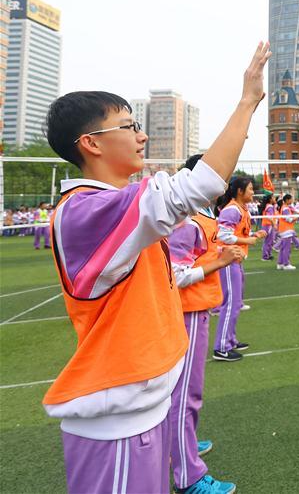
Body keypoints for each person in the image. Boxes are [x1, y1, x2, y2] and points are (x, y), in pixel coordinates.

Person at [41, 42, 269, 494]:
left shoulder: (107, 206)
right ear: (91, 143)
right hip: (118, 414)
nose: (141, 136)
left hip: (140, 404)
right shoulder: (86, 210)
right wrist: (248, 101)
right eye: (129, 126)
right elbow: (200, 184)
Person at [167, 154, 245, 493]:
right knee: (183, 396)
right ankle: (189, 477)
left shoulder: (202, 213)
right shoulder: (186, 219)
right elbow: (179, 275)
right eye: (219, 175)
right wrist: (221, 261)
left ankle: (182, 444)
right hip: (186, 311)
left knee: (189, 394)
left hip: (197, 310)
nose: (223, 184)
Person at [214, 177, 266, 361]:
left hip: (236, 259)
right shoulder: (232, 210)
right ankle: (221, 347)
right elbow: (223, 235)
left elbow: (237, 234)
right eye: (250, 189)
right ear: (240, 191)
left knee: (236, 302)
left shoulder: (241, 210)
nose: (253, 192)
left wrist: (254, 235)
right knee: (230, 303)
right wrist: (248, 240)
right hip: (228, 260)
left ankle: (230, 340)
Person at [275, 194, 299, 270]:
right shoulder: (285, 208)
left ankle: (280, 263)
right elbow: (289, 219)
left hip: (284, 230)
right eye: (291, 199)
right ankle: (286, 264)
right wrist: (298, 217)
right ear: (287, 200)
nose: (292, 201)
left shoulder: (284, 207)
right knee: (286, 248)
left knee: (283, 248)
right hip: (286, 231)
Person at [260, 193, 277, 260]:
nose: (274, 199)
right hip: (268, 225)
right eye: (273, 197)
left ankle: (268, 254)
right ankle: (265, 256)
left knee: (270, 241)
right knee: (268, 241)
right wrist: (274, 224)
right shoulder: (269, 206)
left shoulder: (268, 206)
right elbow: (269, 217)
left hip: (267, 225)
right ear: (270, 199)